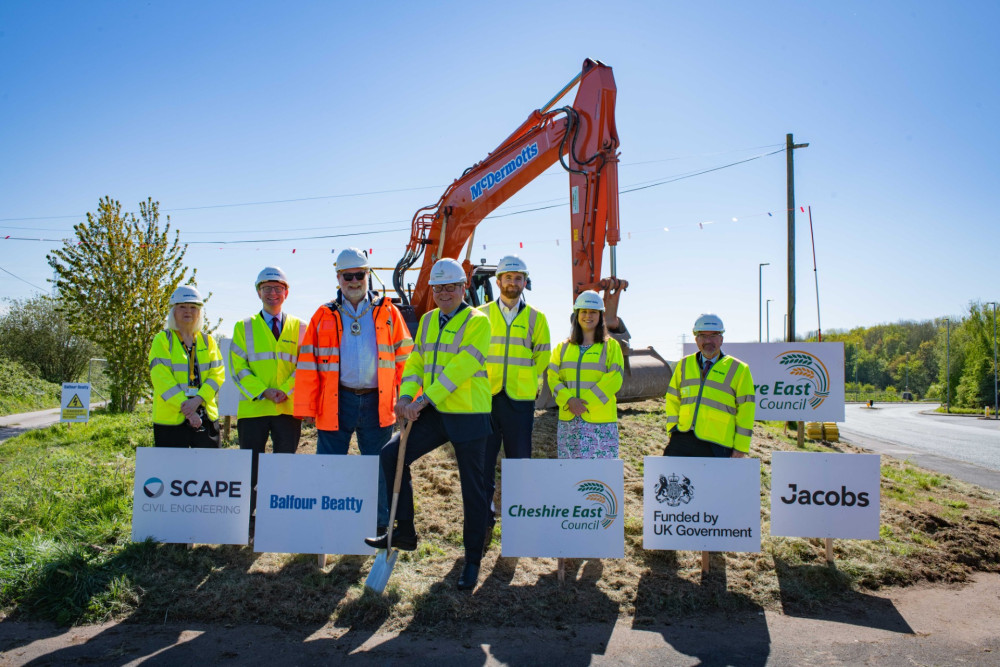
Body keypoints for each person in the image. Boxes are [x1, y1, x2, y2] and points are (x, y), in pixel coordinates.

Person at [364, 258, 492, 591]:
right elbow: (417, 361)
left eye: (451, 287)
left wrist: (424, 399)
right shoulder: (429, 320)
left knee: (473, 491)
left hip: (468, 414)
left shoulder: (479, 322)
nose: (444, 293)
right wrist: (406, 396)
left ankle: (473, 560)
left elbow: (463, 366)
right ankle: (403, 531)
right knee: (391, 456)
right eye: (438, 288)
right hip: (435, 412)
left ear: (463, 288)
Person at [294, 248, 413, 534]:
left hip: (378, 401)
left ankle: (380, 525)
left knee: (378, 467)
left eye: (360, 274)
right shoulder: (322, 315)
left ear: (368, 275)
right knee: (330, 465)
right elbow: (308, 364)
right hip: (337, 401)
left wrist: (407, 400)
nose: (354, 281)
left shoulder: (388, 312)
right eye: (348, 276)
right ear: (338, 278)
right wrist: (308, 407)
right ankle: (327, 524)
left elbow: (406, 359)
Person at [479, 255, 550, 549]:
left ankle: (519, 527)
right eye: (508, 277)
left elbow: (542, 356)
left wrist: (525, 378)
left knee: (520, 464)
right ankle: (484, 522)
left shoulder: (537, 318)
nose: (513, 282)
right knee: (483, 464)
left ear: (525, 282)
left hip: (519, 402)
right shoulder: (479, 315)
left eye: (518, 278)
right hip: (485, 399)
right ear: (498, 281)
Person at [230, 267, 303, 524]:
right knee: (250, 468)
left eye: (278, 288)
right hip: (254, 410)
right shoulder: (243, 327)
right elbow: (238, 367)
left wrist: (286, 389)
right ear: (258, 292)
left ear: (286, 292)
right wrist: (264, 391)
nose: (272, 293)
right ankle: (247, 520)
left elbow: (304, 365)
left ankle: (277, 519)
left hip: (287, 409)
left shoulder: (299, 327)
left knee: (284, 467)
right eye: (267, 288)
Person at [663, 313, 755, 458]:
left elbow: (746, 411)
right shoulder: (684, 365)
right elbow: (673, 399)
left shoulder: (739, 369)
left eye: (713, 335)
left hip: (718, 443)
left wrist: (741, 447)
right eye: (703, 336)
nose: (708, 341)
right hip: (682, 438)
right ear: (696, 339)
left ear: (721, 339)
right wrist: (673, 429)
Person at [547, 290, 624, 459]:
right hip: (569, 423)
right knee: (571, 477)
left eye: (593, 312)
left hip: (600, 424)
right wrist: (569, 400)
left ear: (600, 315)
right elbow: (553, 377)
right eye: (584, 312)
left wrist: (584, 404)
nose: (588, 316)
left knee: (599, 478)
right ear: (577, 315)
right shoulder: (562, 348)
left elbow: (614, 379)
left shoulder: (611, 347)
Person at [148, 285, 224, 448]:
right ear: (173, 311)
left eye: (193, 307)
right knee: (173, 473)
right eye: (182, 307)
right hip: (171, 422)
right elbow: (161, 379)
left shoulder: (208, 341)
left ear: (199, 312)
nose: (188, 311)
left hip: (206, 418)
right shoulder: (162, 340)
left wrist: (197, 401)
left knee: (207, 471)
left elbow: (217, 375)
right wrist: (188, 410)